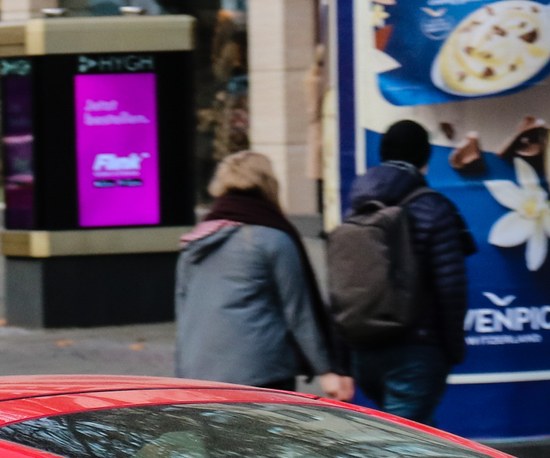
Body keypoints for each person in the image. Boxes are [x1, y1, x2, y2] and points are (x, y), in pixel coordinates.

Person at [339, 118, 474, 423]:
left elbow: (345, 283)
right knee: (405, 450)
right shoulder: (433, 208)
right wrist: (452, 349)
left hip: (365, 351)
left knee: (419, 439)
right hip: (415, 350)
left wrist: (344, 358)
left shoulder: (358, 206)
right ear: (425, 158)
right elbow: (451, 286)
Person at [173, 150, 341, 393]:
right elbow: (299, 312)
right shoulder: (273, 238)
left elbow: (184, 312)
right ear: (269, 184)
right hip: (262, 373)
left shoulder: (195, 240)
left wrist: (182, 374)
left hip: (200, 372)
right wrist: (327, 369)